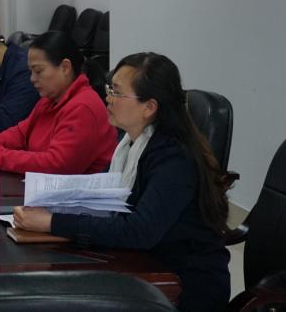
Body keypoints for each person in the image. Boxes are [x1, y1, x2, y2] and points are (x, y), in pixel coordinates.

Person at [14, 53, 232, 311]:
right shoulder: (129, 143)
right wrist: (52, 206)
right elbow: (104, 199)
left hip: (184, 283)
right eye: (109, 89)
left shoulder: (174, 159)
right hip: (141, 262)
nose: (108, 98)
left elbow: (139, 231)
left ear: (149, 107)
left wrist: (52, 222)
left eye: (116, 92)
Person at [0, 31, 116, 174]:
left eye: (38, 71)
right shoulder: (48, 100)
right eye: (31, 71)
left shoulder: (84, 107)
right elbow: (21, 134)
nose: (32, 78)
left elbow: (58, 164)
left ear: (65, 68)